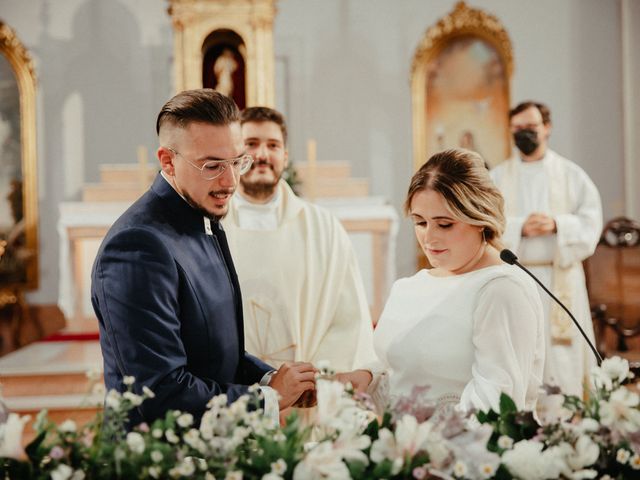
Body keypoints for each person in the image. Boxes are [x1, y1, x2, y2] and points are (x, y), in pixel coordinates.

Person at [91, 89, 316, 427]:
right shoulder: (136, 246)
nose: (230, 182)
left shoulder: (203, 218)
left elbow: (217, 353)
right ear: (168, 161)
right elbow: (160, 391)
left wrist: (272, 379)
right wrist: (268, 399)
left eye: (237, 161)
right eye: (212, 165)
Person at [339, 149, 545, 414]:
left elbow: (496, 404)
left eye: (444, 224)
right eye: (420, 222)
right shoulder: (409, 286)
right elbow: (406, 375)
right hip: (406, 449)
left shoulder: (501, 289)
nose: (429, 238)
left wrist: (420, 445)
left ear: (480, 218)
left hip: (461, 451)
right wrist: (368, 379)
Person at [221, 106, 377, 375]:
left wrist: (316, 377)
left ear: (285, 155)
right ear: (235, 154)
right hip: (233, 390)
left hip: (307, 390)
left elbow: (347, 318)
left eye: (272, 145)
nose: (262, 155)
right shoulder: (212, 226)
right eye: (251, 144)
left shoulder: (323, 228)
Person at [490, 101, 602, 398]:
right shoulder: (498, 178)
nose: (523, 133)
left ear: (547, 128)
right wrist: (518, 228)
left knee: (562, 359)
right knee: (521, 353)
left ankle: (566, 419)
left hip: (560, 277)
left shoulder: (571, 175)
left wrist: (557, 224)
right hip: (516, 276)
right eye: (517, 129)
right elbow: (486, 225)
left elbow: (591, 223)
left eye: (530, 127)